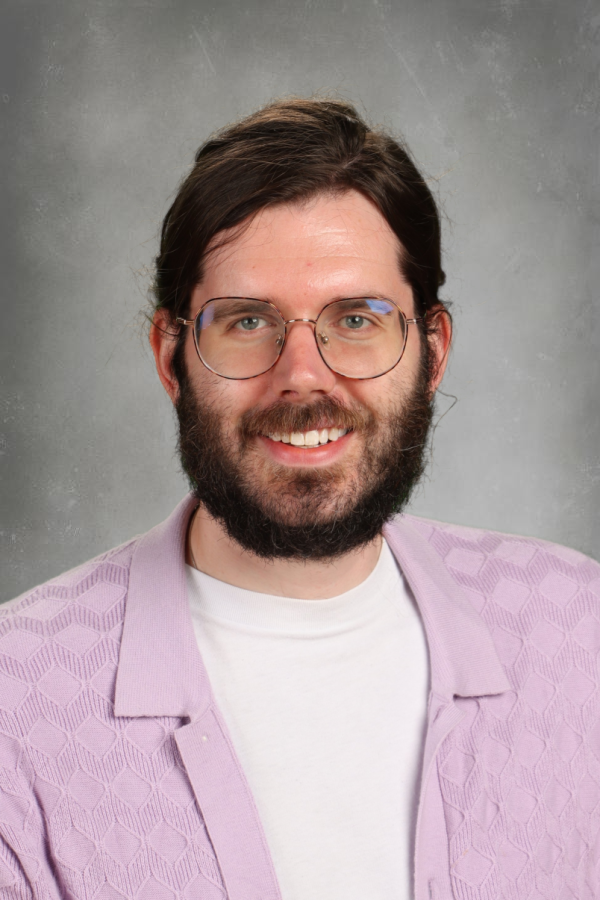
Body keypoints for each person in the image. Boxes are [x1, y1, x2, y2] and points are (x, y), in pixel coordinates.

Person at [0, 98, 598, 900]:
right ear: (173, 357)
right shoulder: (16, 702)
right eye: (247, 321)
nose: (304, 375)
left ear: (433, 350)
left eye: (357, 317)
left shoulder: (578, 633)